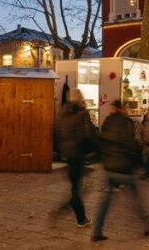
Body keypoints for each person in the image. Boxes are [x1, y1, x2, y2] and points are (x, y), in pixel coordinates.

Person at [91, 100, 149, 243]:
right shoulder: (127, 123)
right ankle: (147, 225)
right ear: (123, 109)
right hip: (124, 168)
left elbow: (101, 142)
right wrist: (137, 162)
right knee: (136, 197)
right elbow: (130, 143)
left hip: (109, 167)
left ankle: (96, 230)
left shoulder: (107, 121)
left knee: (104, 200)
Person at [54, 88, 95, 227]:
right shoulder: (82, 113)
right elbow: (87, 134)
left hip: (68, 154)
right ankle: (77, 216)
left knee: (75, 186)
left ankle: (78, 216)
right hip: (78, 153)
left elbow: (57, 132)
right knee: (77, 188)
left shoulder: (62, 113)